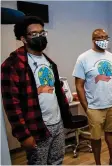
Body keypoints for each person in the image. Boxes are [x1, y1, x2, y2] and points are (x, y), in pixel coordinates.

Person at [1, 16, 72, 165]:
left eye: (42, 33)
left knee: (57, 161)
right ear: (23, 39)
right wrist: (24, 135)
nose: (39, 37)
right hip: (36, 127)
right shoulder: (13, 64)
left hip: (57, 123)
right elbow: (11, 104)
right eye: (34, 34)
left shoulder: (49, 62)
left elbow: (57, 92)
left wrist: (65, 117)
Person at [72, 29, 112, 165]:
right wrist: (86, 107)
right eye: (100, 37)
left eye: (106, 37)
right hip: (95, 107)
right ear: (93, 39)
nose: (103, 40)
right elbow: (79, 85)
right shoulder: (83, 58)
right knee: (95, 138)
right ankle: (98, 164)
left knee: (110, 133)